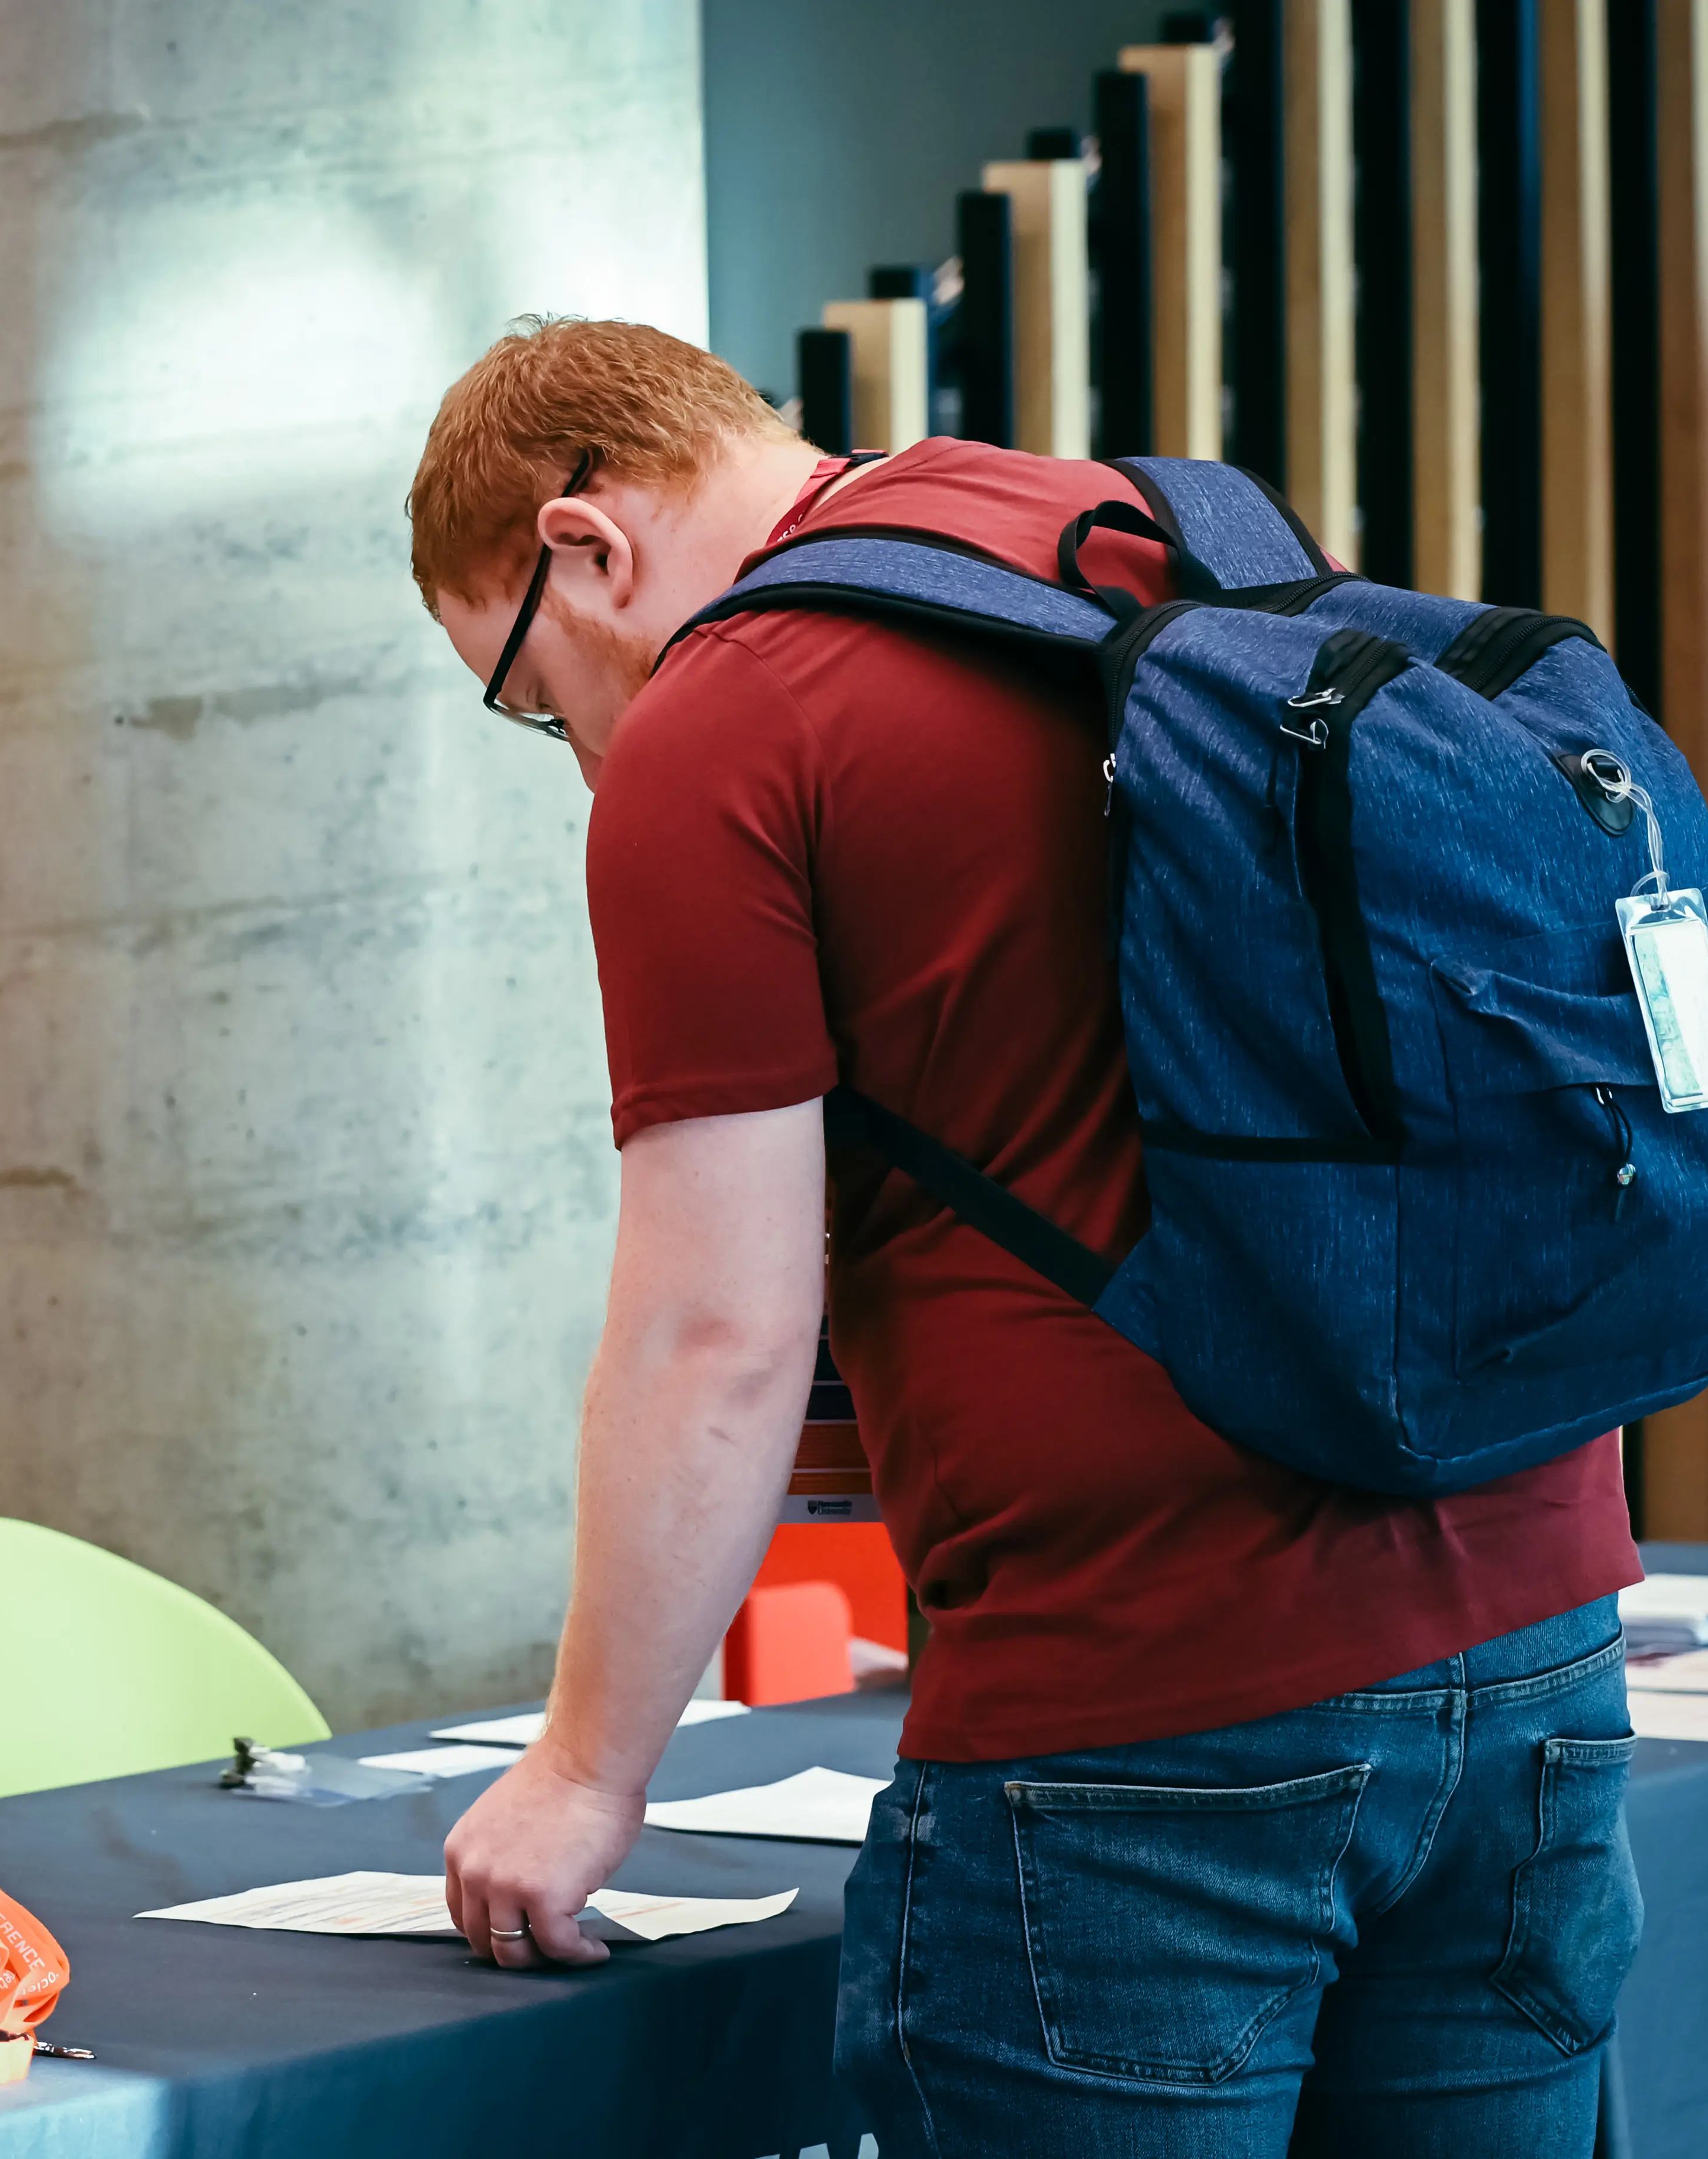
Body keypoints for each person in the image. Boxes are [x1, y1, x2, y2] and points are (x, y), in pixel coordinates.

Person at [408, 317, 1645, 2151]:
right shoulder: (1156, 538)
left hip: (1142, 1722)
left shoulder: (723, 722)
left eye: (531, 699)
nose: (582, 755)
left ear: (583, 545)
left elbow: (714, 1334)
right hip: (1539, 1641)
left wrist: (586, 1775)